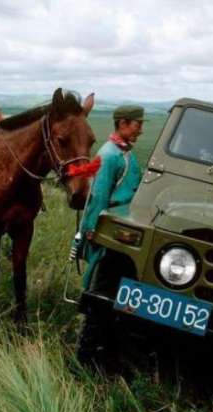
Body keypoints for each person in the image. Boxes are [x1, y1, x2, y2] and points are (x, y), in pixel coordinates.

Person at [78, 105, 145, 288]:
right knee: (100, 272)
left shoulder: (125, 153)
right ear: (123, 123)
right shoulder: (108, 155)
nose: (141, 131)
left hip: (124, 225)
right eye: (137, 125)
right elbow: (99, 194)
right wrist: (92, 227)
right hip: (108, 226)